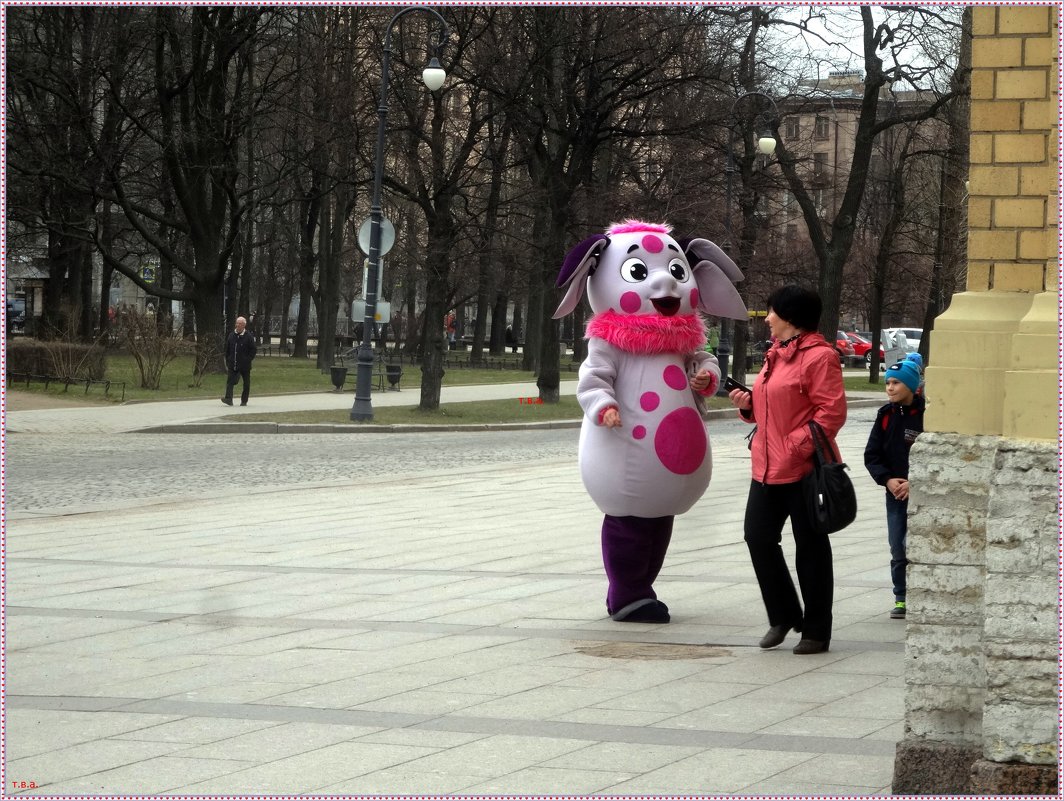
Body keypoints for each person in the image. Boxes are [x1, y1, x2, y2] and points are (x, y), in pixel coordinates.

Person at [727, 284, 847, 655]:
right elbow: (772, 404)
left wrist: (794, 447)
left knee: (810, 547)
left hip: (805, 467)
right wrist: (748, 406)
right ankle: (783, 614)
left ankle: (816, 630)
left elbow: (831, 413)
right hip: (766, 464)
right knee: (758, 537)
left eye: (772, 311)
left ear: (791, 317)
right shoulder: (775, 354)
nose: (768, 319)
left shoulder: (820, 356)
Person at [863, 359, 925, 620]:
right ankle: (901, 597)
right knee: (897, 546)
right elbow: (872, 454)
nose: (889, 387)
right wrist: (887, 480)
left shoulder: (926, 414)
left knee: (915, 544)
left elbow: (933, 455)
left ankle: (921, 592)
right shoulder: (885, 415)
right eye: (887, 382)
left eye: (896, 382)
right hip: (895, 493)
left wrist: (917, 482)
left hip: (920, 491)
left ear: (911, 386)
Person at [221, 316, 257, 406]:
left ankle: (244, 401)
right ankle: (228, 399)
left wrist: (248, 359)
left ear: (244, 325)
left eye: (240, 324)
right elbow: (227, 349)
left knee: (246, 384)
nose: (238, 325)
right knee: (230, 381)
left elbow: (253, 350)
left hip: (245, 365)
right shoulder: (231, 335)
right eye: (237, 323)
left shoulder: (248, 336)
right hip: (233, 363)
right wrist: (228, 360)